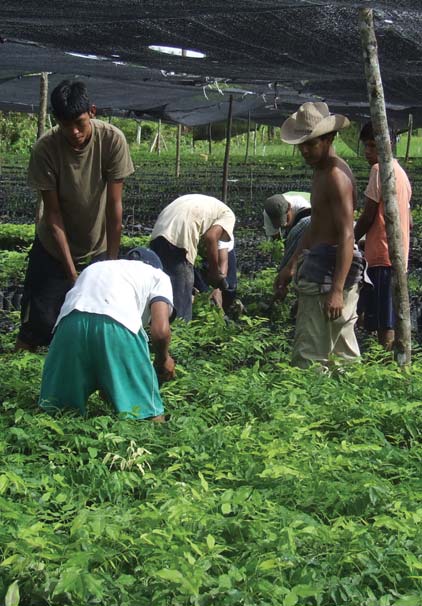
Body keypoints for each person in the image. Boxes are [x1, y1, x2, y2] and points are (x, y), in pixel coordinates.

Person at [16, 79, 134, 351]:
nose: (75, 132)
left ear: (92, 111)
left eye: (79, 123)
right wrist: (71, 272)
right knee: (40, 322)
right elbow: (52, 214)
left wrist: (111, 265)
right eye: (65, 125)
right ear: (56, 120)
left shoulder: (112, 140)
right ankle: (20, 376)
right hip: (54, 248)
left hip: (98, 246)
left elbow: (114, 207)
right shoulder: (46, 148)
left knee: (99, 318)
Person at [274, 101, 365, 368]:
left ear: (329, 138)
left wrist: (336, 289)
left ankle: (309, 406)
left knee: (310, 355)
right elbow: (316, 226)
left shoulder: (336, 176)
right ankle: (351, 402)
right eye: (301, 144)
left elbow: (347, 234)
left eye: (311, 144)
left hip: (329, 274)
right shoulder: (321, 171)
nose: (304, 150)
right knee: (341, 352)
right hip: (323, 266)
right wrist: (291, 265)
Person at [38, 248, 175, 422]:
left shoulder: (96, 268)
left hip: (70, 324)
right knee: (146, 415)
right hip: (118, 323)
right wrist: (163, 359)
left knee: (58, 413)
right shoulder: (158, 276)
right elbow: (161, 332)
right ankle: (157, 442)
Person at [354, 122, 412, 350]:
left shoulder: (380, 170)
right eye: (366, 147)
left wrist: (350, 239)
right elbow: (409, 220)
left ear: (387, 146)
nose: (368, 152)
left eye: (372, 146)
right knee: (389, 312)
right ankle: (392, 363)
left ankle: (388, 366)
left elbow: (368, 216)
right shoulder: (401, 173)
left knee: (383, 319)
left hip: (382, 254)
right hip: (397, 253)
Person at [150, 193, 236, 321]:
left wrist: (217, 286)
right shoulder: (228, 216)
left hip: (160, 230)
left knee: (163, 289)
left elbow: (220, 251)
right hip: (180, 235)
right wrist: (214, 273)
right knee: (182, 297)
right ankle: (179, 331)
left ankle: (157, 326)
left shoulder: (208, 207)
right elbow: (211, 237)